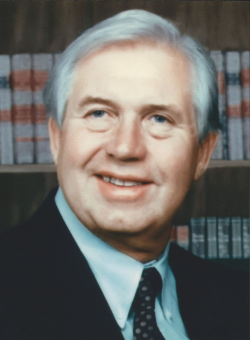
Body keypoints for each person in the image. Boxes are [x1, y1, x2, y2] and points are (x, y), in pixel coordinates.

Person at [0, 9, 248, 340]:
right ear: (57, 139)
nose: (125, 147)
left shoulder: (238, 299)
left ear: (203, 153)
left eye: (159, 119)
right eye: (99, 113)